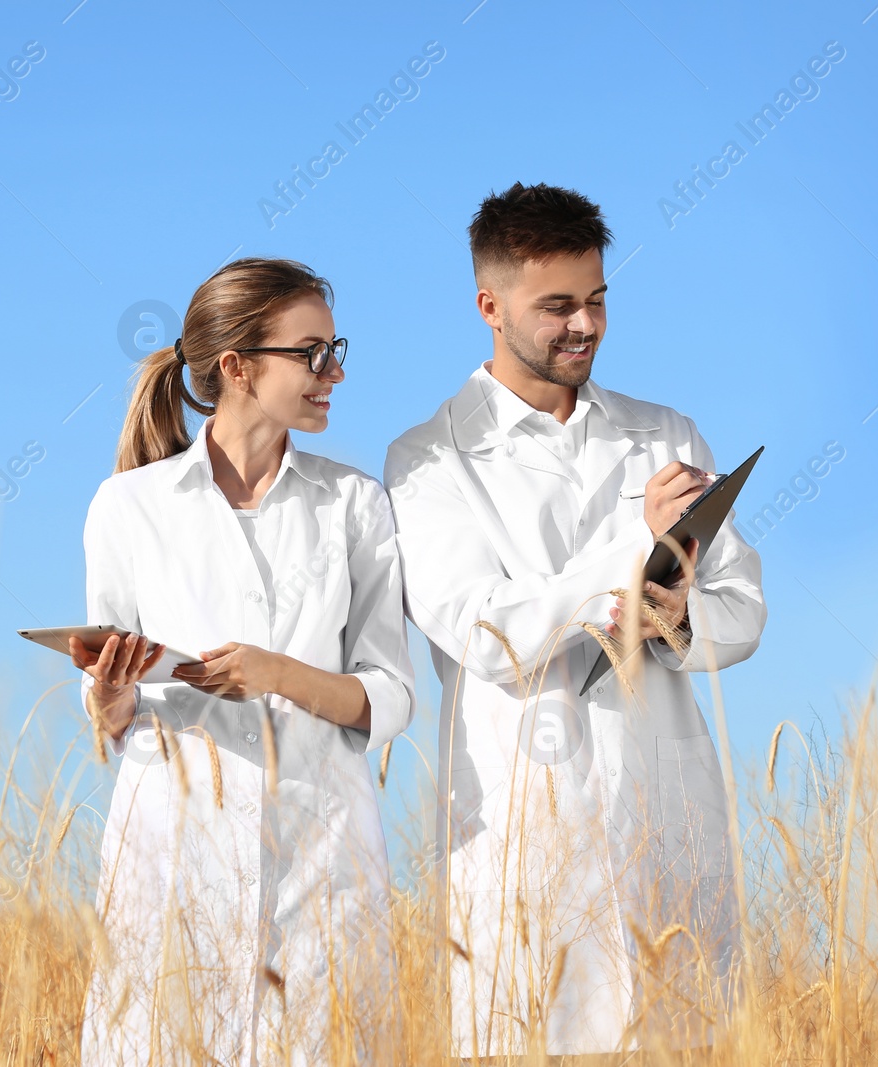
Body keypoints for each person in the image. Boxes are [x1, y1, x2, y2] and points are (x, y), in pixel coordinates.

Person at [384, 183, 766, 1061]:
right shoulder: (428, 457)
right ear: (490, 305)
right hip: (523, 832)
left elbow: (742, 610)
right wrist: (634, 550)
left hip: (665, 817)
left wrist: (674, 617)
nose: (583, 324)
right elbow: (485, 632)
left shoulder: (664, 432)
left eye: (596, 299)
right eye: (556, 305)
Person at [70, 257, 416, 1065]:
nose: (333, 373)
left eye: (336, 350)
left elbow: (392, 694)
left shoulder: (355, 503)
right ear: (237, 365)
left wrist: (277, 673)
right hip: (173, 853)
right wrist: (111, 696)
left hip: (320, 853)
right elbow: (108, 715)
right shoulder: (130, 506)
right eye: (311, 354)